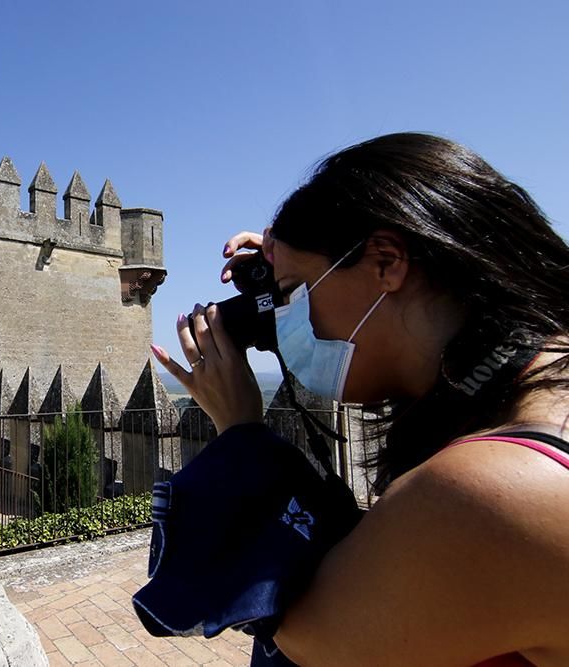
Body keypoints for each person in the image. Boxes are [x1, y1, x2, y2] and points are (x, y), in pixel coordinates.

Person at [152, 133, 569, 666]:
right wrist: (303, 264)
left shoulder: (489, 493)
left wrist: (240, 435)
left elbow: (309, 640)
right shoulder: (529, 382)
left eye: (292, 295)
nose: (287, 322)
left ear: (387, 262)